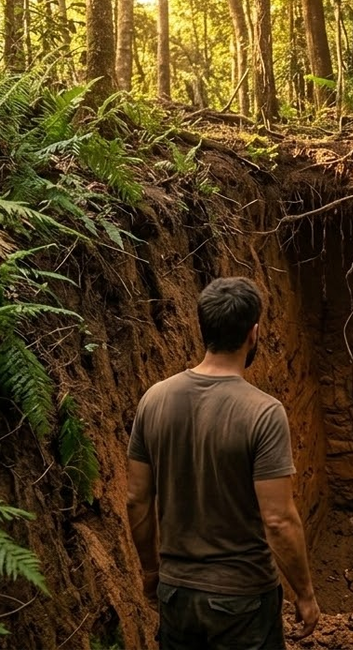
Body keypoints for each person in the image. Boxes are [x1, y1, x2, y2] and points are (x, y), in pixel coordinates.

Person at [126, 277, 319, 649]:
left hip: (177, 594)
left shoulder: (154, 400)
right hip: (243, 599)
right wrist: (305, 593)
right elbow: (278, 519)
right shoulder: (263, 412)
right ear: (254, 333)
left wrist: (152, 571)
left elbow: (136, 498)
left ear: (203, 328)